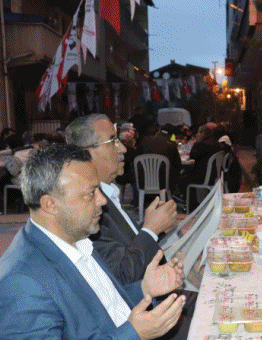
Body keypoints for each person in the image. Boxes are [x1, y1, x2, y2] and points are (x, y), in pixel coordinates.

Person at [0, 144, 187, 340]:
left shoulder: (74, 238)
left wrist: (144, 288)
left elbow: (100, 308)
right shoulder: (18, 283)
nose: (102, 200)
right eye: (90, 193)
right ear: (50, 204)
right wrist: (133, 335)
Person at [65, 114, 178, 285]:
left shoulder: (107, 193)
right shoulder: (88, 209)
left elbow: (126, 239)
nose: (123, 149)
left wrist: (154, 226)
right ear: (86, 153)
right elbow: (121, 277)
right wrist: (151, 230)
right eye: (113, 141)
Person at [138, 126, 183, 199]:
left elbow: (136, 159)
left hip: (143, 181)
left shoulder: (144, 141)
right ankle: (172, 196)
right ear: (171, 135)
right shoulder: (172, 144)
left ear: (159, 132)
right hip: (163, 183)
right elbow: (178, 165)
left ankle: (137, 201)